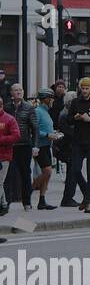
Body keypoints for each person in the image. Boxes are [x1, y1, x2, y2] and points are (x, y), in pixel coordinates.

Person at [59, 78, 90, 214]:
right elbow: (68, 120)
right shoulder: (75, 102)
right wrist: (75, 118)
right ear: (80, 89)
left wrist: (89, 119)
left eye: (87, 88)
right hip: (78, 141)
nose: (85, 91)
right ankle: (87, 194)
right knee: (75, 170)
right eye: (83, 88)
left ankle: (88, 202)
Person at [4, 83, 38, 211]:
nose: (18, 92)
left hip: (24, 145)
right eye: (15, 90)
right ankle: (6, 202)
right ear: (11, 93)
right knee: (9, 174)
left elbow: (35, 128)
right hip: (10, 146)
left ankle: (27, 202)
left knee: (25, 174)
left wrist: (35, 146)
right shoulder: (7, 108)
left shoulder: (29, 108)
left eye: (20, 90)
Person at [32, 88, 60, 210]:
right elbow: (34, 130)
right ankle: (29, 190)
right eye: (51, 98)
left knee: (48, 174)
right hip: (40, 146)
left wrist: (54, 133)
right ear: (46, 99)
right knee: (47, 171)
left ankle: (42, 200)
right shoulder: (38, 111)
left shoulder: (46, 111)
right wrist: (47, 135)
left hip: (47, 145)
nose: (53, 101)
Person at [0, 96, 15, 228]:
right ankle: (4, 204)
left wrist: (1, 140)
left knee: (0, 182)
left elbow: (16, 136)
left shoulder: (9, 119)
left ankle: (3, 205)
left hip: (4, 156)